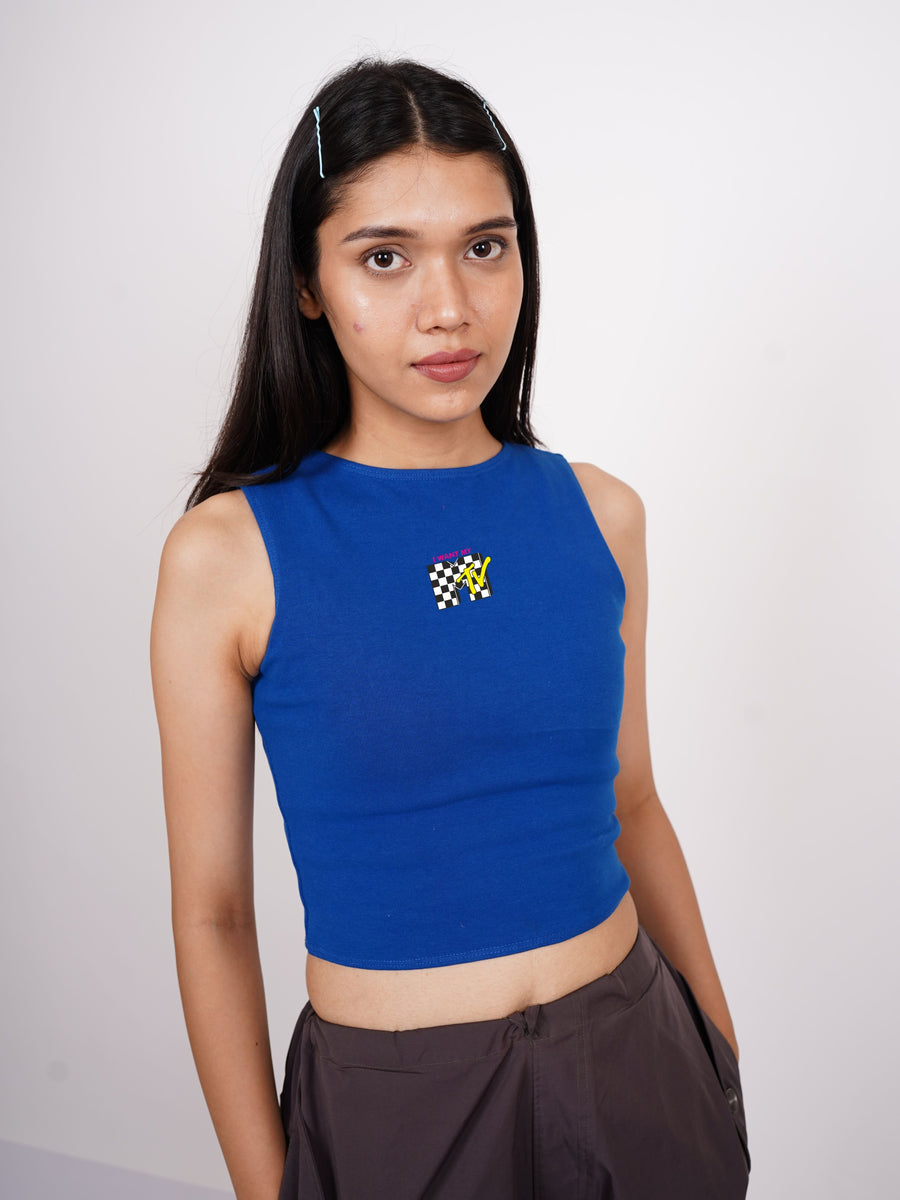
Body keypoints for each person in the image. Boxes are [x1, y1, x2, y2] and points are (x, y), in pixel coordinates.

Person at [150, 57, 751, 1200]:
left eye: (485, 246)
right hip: (397, 1115)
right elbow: (213, 915)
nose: (449, 308)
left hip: (639, 1073)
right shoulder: (227, 557)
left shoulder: (601, 514)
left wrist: (719, 1057)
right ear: (307, 283)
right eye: (385, 257)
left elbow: (632, 802)